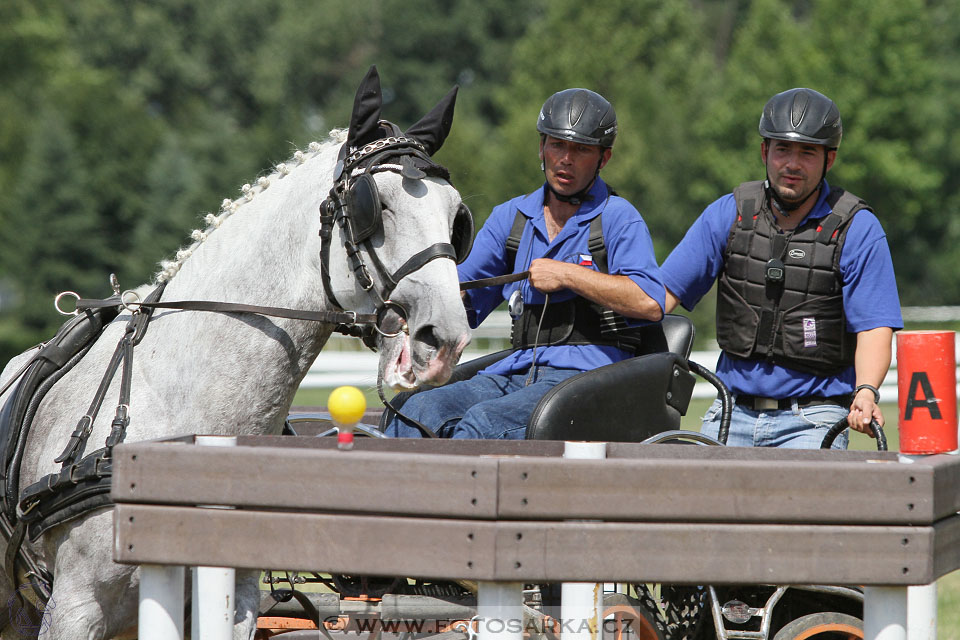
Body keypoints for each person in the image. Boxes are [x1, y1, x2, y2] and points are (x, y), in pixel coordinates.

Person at [383, 88, 665, 439]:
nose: (566, 159)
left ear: (603, 158)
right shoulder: (511, 219)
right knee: (414, 410)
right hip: (514, 372)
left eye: (581, 150)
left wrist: (568, 274)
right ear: (542, 147)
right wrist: (419, 302)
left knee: (483, 424)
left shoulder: (619, 218)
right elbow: (464, 300)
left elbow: (650, 303)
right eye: (557, 145)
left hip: (589, 381)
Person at [661, 88, 902, 449]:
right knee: (683, 499)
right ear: (765, 152)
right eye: (783, 149)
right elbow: (659, 298)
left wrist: (866, 390)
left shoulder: (858, 228)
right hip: (729, 409)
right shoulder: (730, 214)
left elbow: (875, 326)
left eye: (807, 152)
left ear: (829, 159)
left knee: (799, 506)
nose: (792, 164)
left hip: (814, 418)